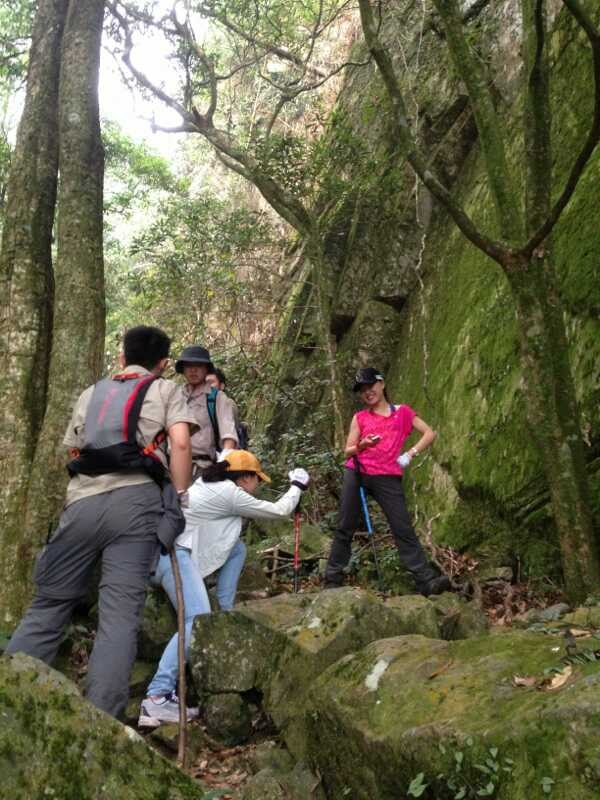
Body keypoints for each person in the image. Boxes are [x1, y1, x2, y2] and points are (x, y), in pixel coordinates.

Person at [5, 326, 196, 719]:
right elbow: (180, 442)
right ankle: (102, 722)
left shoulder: (90, 394)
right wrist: (179, 496)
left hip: (81, 504)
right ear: (162, 364)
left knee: (48, 605)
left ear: (122, 358)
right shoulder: (165, 390)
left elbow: (75, 450)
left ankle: (8, 704)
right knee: (119, 617)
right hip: (137, 505)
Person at [138, 450, 309, 727]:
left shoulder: (210, 484)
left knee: (237, 548)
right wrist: (297, 486)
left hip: (165, 554)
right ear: (245, 478)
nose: (258, 485)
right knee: (196, 619)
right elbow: (279, 511)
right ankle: (156, 697)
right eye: (257, 479)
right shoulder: (230, 494)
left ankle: (224, 611)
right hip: (173, 557)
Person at [324, 367, 451, 596]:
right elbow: (347, 451)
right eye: (362, 390)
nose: (367, 392)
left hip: (388, 475)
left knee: (402, 526)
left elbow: (429, 433)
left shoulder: (402, 413)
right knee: (345, 525)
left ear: (381, 383)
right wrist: (363, 445)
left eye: (370, 386)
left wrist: (410, 454)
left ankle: (426, 581)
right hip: (358, 471)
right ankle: (332, 580)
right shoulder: (360, 417)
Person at [175, 346, 238, 472]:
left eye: (198, 366)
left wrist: (221, 466)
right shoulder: (174, 396)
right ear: (183, 369)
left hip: (202, 468)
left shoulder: (217, 398)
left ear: (206, 369)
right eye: (188, 366)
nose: (193, 370)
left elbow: (229, 435)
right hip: (172, 466)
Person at [206, 367, 249, 449]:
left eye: (211, 382)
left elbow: (231, 430)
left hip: (223, 450)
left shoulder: (228, 403)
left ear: (222, 386)